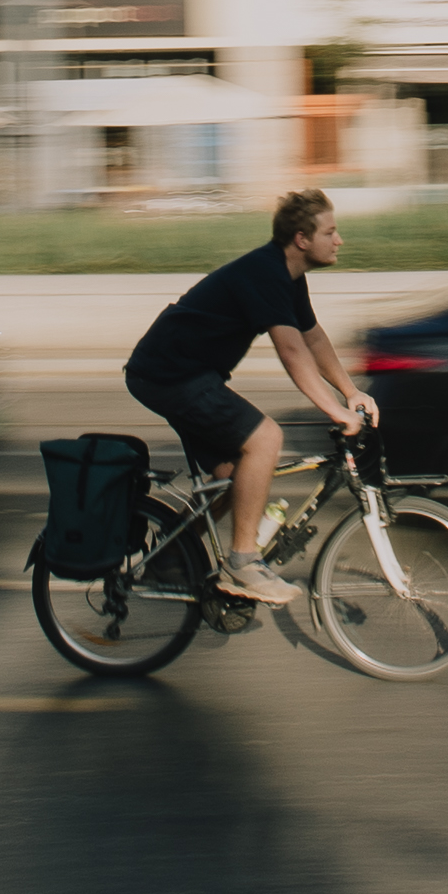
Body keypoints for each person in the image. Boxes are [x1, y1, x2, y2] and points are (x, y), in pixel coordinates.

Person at [119, 187, 376, 606]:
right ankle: (242, 563)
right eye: (331, 231)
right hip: (169, 373)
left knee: (231, 477)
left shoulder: (289, 277)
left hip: (184, 373)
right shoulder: (266, 272)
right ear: (301, 239)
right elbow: (291, 351)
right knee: (265, 439)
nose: (339, 239)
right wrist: (333, 410)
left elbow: (312, 337)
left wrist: (350, 392)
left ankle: (169, 555)